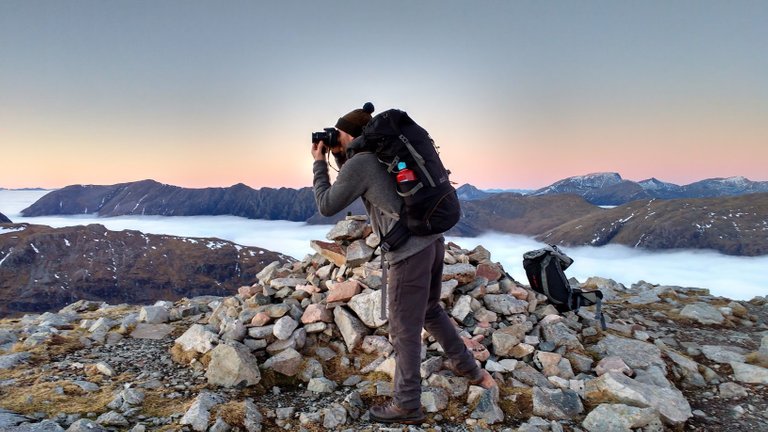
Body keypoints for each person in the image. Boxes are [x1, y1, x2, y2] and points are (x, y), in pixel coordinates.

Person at [311, 102, 496, 425]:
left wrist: (318, 163)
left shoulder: (363, 162)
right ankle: (472, 371)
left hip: (409, 254)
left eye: (337, 133)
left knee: (404, 330)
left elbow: (327, 204)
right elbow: (358, 180)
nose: (332, 138)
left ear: (350, 134)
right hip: (432, 242)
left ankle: (407, 403)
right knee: (430, 311)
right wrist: (340, 152)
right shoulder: (379, 154)